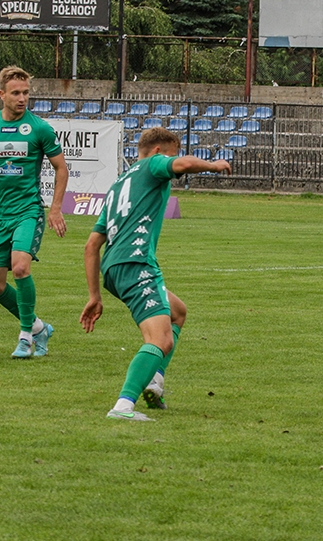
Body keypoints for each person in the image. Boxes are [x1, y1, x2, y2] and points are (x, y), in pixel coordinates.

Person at [80, 127, 232, 421]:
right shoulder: (152, 165)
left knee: (177, 312)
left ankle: (154, 382)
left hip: (114, 267)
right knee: (160, 339)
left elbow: (91, 246)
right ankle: (123, 406)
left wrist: (94, 295)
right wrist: (214, 165)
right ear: (159, 152)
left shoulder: (117, 186)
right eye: (170, 157)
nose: (171, 169)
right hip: (135, 262)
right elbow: (185, 164)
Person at [0, 66, 68, 358]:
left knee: (20, 267)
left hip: (27, 211)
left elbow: (61, 168)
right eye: (16, 93)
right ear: (2, 94)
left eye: (26, 93)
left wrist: (55, 209)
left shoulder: (39, 128)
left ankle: (25, 337)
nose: (22, 98)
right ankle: (38, 327)